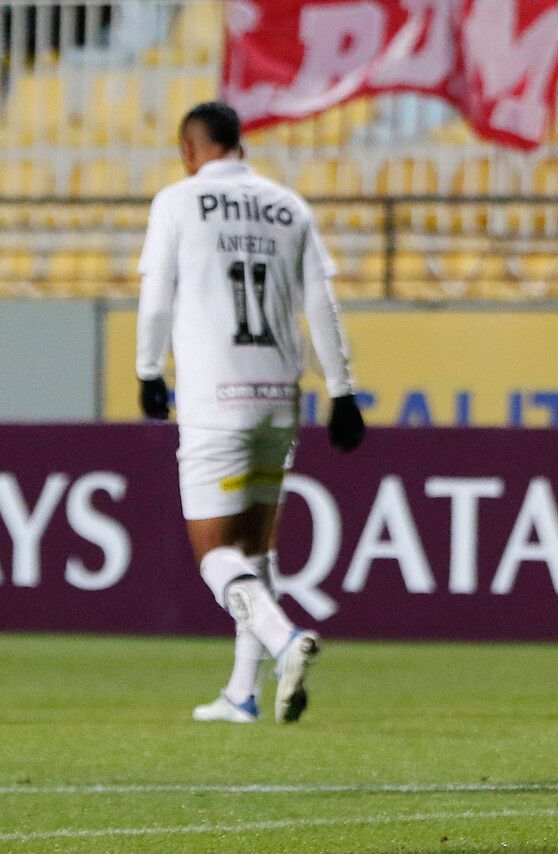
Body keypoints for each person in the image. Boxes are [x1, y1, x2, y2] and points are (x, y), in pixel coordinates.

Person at [136, 102, 365, 725]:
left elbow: (156, 297)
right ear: (240, 144)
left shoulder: (178, 203)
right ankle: (243, 693)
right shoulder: (289, 206)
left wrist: (148, 371)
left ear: (190, 150)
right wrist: (343, 391)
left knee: (215, 554)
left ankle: (285, 639)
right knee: (256, 548)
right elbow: (323, 303)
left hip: (215, 400)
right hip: (278, 398)